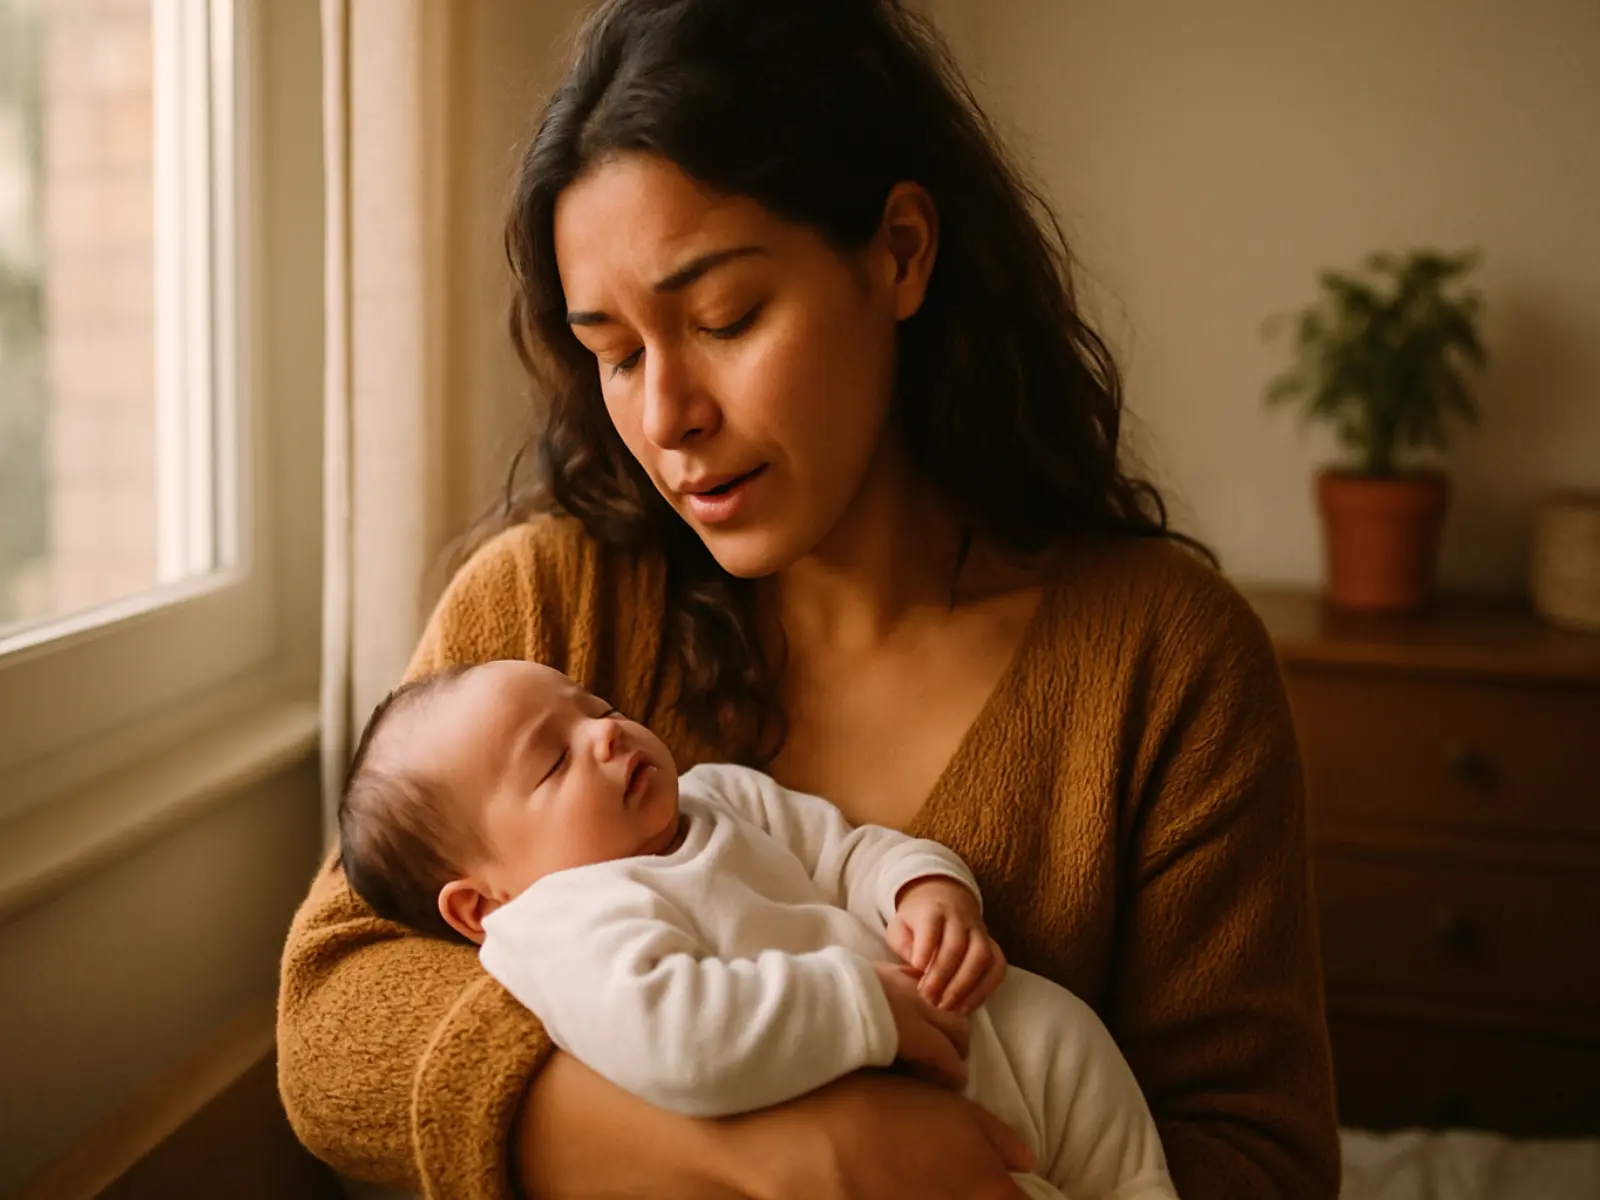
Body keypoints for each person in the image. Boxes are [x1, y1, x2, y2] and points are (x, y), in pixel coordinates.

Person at [277, 0, 1341, 1196]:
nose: (667, 416)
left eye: (723, 318)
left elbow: (1261, 1155)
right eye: (615, 353)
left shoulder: (1164, 662)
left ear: (898, 251)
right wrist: (769, 1155)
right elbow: (333, 1019)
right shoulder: (545, 607)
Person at [335, 659, 1180, 1200]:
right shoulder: (560, 922)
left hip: (1004, 1040)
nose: (603, 733)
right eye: (553, 760)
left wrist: (922, 891)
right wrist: (857, 1004)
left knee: (1105, 1116)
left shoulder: (723, 798)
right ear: (481, 904)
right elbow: (677, 1035)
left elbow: (848, 853)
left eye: (593, 705)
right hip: (901, 1119)